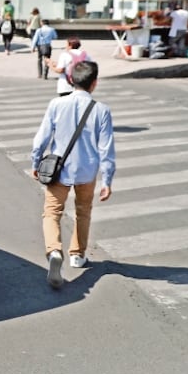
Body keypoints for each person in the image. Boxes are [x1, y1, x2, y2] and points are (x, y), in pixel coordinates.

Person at [31, 60, 115, 288]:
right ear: (94, 83)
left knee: (51, 213)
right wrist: (107, 180)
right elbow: (106, 148)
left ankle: (54, 252)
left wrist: (36, 161)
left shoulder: (56, 104)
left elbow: (41, 138)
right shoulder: (102, 110)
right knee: (83, 212)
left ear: (70, 80)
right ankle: (78, 254)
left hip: (59, 170)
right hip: (87, 171)